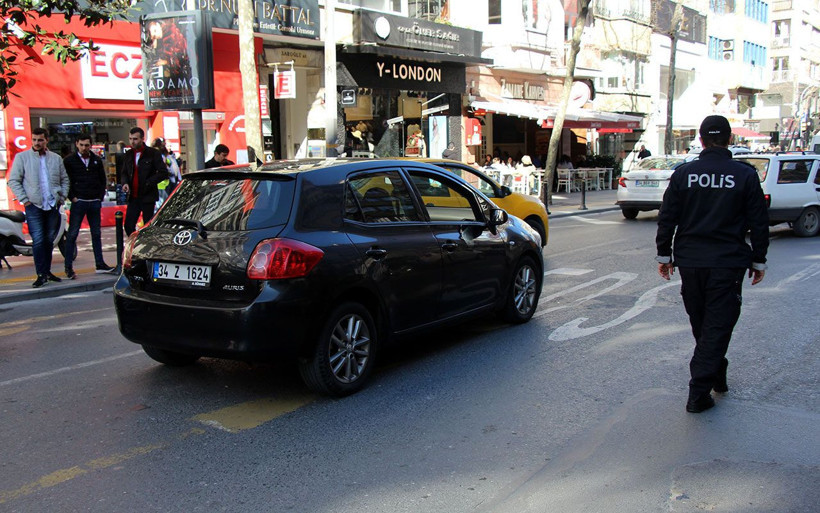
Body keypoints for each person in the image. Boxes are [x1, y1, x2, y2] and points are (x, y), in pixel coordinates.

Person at [655, 115, 769, 414]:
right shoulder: (744, 175)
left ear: (701, 140)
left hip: (691, 262)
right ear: (729, 139)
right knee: (716, 325)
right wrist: (759, 259)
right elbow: (759, 221)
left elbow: (667, 217)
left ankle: (714, 372)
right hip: (726, 263)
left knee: (703, 323)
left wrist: (664, 255)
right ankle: (698, 392)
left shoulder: (684, 174)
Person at [7, 127, 69, 288]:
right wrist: (25, 200)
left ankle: (47, 272)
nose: (36, 143)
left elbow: (64, 179)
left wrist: (62, 197)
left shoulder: (56, 158)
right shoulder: (22, 157)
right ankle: (41, 274)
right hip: (33, 205)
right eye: (34, 139)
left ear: (46, 140)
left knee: (49, 240)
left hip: (52, 204)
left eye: (40, 140)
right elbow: (13, 180)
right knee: (39, 240)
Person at [63, 135, 114, 278]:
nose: (84, 148)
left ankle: (100, 263)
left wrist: (99, 197)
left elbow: (102, 180)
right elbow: (65, 180)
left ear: (90, 145)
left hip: (93, 201)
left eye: (86, 145)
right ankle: (68, 267)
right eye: (81, 145)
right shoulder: (69, 161)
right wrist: (72, 197)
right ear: (76, 144)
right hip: (79, 201)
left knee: (96, 234)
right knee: (72, 234)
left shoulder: (96, 160)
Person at [120, 127, 168, 235]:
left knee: (148, 226)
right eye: (130, 139)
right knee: (128, 225)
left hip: (147, 195)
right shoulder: (128, 154)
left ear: (142, 139)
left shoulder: (152, 153)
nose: (132, 142)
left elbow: (163, 172)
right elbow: (124, 172)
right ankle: (135, 242)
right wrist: (125, 183)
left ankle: (145, 242)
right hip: (133, 196)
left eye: (135, 139)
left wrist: (149, 182)